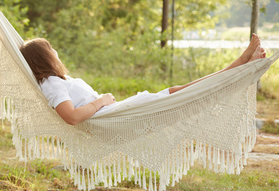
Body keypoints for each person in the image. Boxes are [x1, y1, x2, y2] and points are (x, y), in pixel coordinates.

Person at [20, 35, 267, 125]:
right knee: (180, 92)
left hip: (120, 112)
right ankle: (242, 64)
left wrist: (103, 103)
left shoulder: (54, 81)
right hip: (118, 115)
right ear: (45, 57)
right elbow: (71, 117)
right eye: (50, 49)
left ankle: (241, 65)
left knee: (180, 92)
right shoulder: (51, 83)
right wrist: (101, 101)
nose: (56, 52)